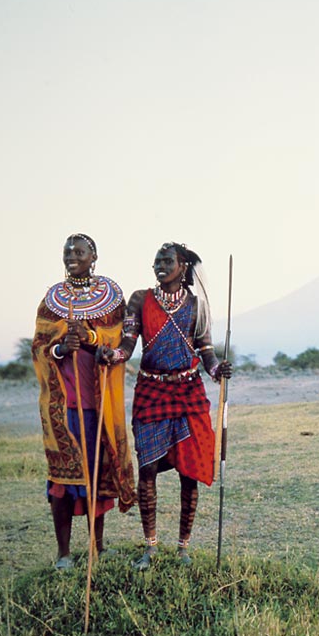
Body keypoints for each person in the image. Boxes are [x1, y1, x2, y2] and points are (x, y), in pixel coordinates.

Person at [97, 242, 232, 569]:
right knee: (147, 469)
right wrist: (112, 355)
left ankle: (183, 548)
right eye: (157, 261)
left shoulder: (197, 305)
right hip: (151, 392)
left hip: (189, 394)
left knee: (190, 471)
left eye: (167, 261)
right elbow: (128, 344)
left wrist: (217, 370)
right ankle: (151, 547)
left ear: (182, 267)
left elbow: (206, 350)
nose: (160, 266)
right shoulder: (140, 300)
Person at [32, 234, 136, 570]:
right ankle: (64, 553)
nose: (71, 256)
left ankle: (97, 547)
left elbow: (119, 341)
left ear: (94, 257)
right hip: (63, 408)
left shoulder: (112, 299)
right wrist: (62, 347)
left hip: (98, 403)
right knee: (62, 479)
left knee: (97, 476)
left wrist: (90, 338)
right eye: (67, 252)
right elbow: (39, 347)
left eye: (79, 252)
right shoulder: (52, 301)